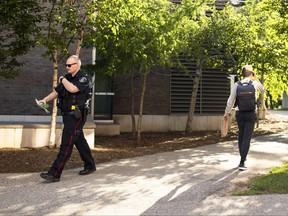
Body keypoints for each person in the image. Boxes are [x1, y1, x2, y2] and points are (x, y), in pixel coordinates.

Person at [39, 55, 96, 182]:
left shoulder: (84, 78)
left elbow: (72, 89)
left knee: (66, 143)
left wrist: (62, 79)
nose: (67, 67)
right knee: (79, 140)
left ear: (77, 65)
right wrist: (45, 100)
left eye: (69, 65)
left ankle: (54, 173)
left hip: (77, 116)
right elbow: (58, 92)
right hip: (67, 115)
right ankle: (90, 165)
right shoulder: (68, 78)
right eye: (66, 65)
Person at [223, 65, 265, 171]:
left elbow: (231, 100)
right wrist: (256, 78)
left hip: (240, 114)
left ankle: (242, 158)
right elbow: (262, 90)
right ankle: (242, 161)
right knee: (247, 138)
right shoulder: (254, 84)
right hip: (251, 114)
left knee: (241, 136)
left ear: (242, 74)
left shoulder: (237, 85)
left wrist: (226, 112)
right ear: (251, 74)